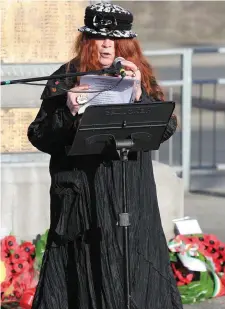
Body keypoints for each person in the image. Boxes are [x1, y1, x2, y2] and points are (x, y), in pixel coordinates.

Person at [28, 2, 183, 309]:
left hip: (131, 195)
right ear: (87, 40)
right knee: (85, 271)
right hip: (82, 196)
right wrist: (70, 112)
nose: (107, 44)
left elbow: (165, 128)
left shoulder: (138, 74)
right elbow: (39, 134)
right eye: (100, 37)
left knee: (134, 269)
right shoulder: (67, 76)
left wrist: (140, 97)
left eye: (115, 38)